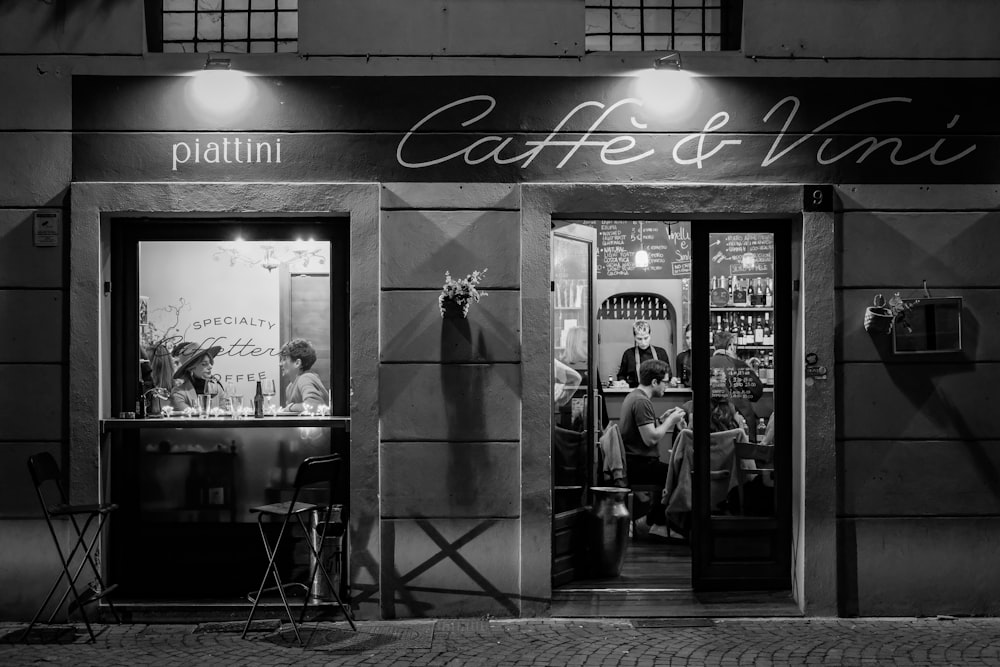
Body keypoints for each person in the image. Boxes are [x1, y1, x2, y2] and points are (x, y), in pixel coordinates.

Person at [620, 359, 687, 540]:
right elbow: (650, 439)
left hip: (634, 462)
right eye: (665, 381)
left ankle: (657, 522)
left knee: (673, 472)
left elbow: (643, 432)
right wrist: (670, 421)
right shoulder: (642, 402)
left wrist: (660, 420)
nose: (667, 385)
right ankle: (657, 522)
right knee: (680, 474)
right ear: (655, 382)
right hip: (639, 464)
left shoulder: (634, 396)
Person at [709, 330, 763, 433]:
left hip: (711, 423)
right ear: (731, 346)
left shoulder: (703, 364)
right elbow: (756, 392)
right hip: (739, 423)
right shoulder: (738, 364)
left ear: (715, 347)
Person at [170, 344, 227, 411]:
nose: (210, 367)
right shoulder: (179, 393)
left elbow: (225, 416)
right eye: (204, 364)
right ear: (191, 368)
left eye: (210, 363)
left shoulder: (217, 388)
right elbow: (188, 418)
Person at [279, 338, 329, 413]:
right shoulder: (290, 387)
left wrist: (290, 407)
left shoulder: (305, 378)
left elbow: (315, 407)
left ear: (297, 363)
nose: (280, 364)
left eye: (284, 359)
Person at [617, 320, 671, 388]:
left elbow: (669, 375)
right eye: (639, 339)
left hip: (657, 391)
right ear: (634, 337)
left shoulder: (661, 353)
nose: (643, 342)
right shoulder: (628, 354)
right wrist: (622, 381)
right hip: (635, 390)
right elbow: (621, 375)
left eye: (646, 338)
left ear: (650, 335)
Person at [675, 323, 692, 387]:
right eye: (687, 338)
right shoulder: (681, 357)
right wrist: (675, 381)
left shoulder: (710, 356)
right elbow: (679, 380)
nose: (690, 341)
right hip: (687, 394)